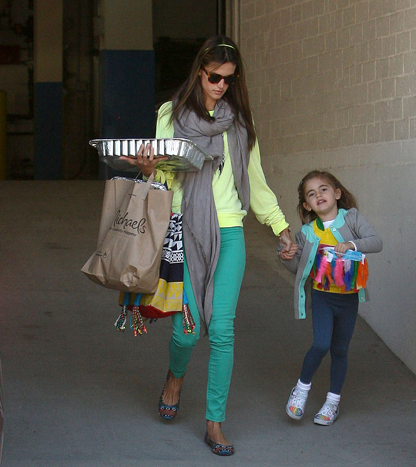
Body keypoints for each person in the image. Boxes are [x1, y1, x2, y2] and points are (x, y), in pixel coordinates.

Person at [120, 35, 295, 456]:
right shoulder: (171, 115)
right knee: (186, 332)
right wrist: (149, 169)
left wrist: (280, 227)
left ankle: (215, 422)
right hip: (184, 230)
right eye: (214, 77)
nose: (220, 85)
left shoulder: (240, 125)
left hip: (229, 232)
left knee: (221, 331)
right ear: (199, 71)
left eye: (228, 80)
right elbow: (162, 180)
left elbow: (255, 181)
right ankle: (175, 377)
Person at [278, 170, 382, 426]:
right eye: (311, 194)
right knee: (322, 344)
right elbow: (299, 269)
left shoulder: (352, 219)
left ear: (336, 193)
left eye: (324, 189)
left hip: (348, 298)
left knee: (340, 349)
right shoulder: (306, 232)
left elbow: (376, 242)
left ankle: (332, 402)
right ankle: (301, 390)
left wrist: (351, 245)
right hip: (323, 296)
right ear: (307, 205)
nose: (319, 196)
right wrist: (286, 257)